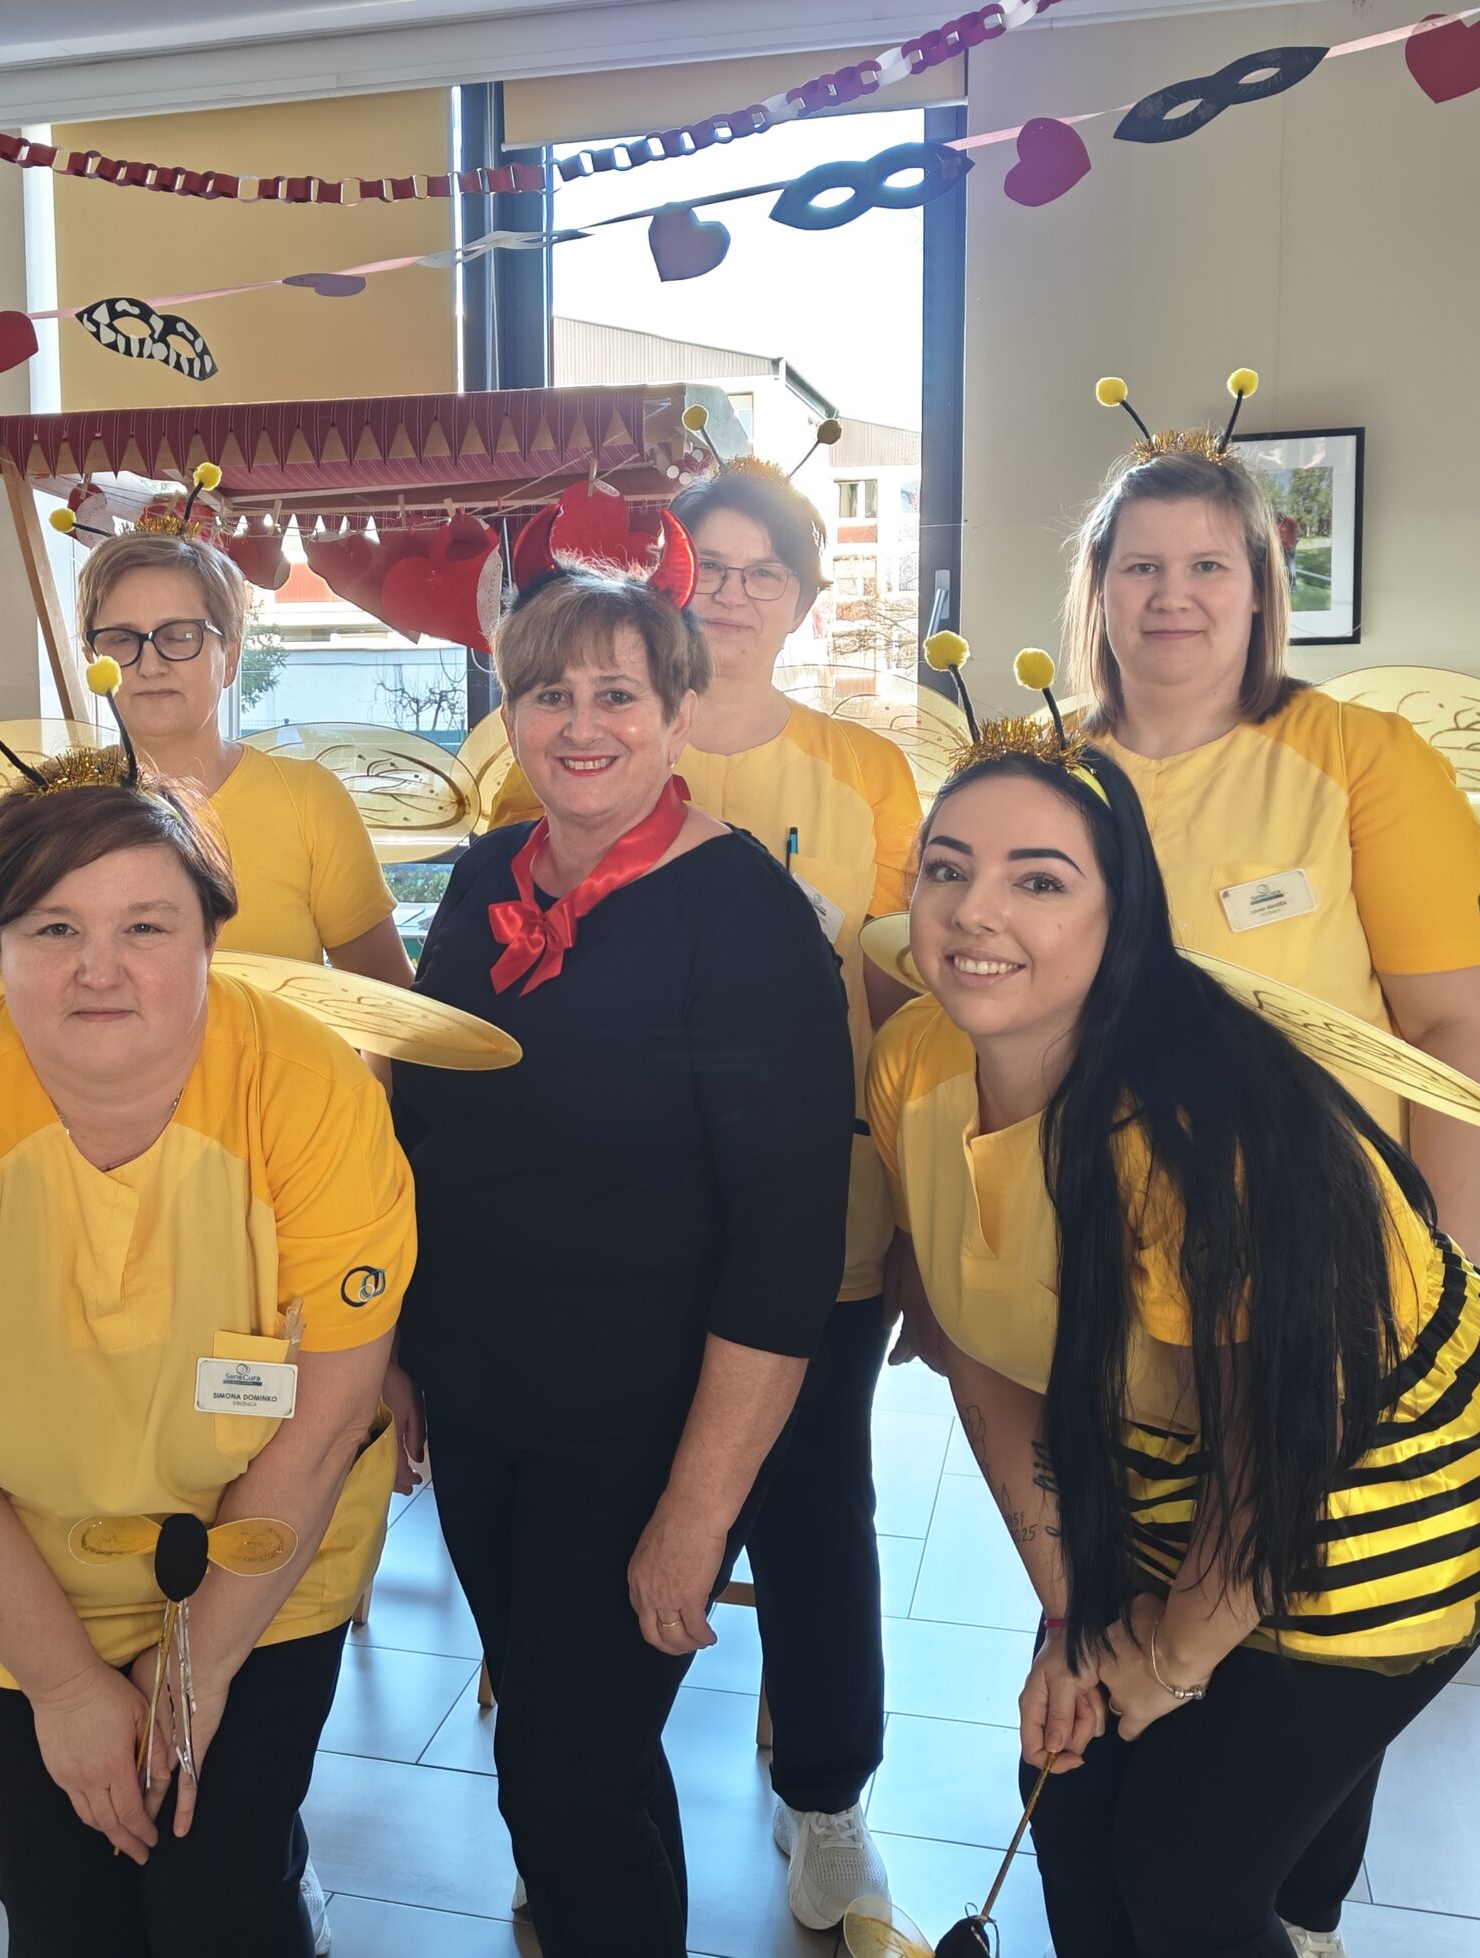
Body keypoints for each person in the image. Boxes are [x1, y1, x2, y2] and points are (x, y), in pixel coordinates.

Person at [869, 729, 1480, 1958]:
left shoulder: (1202, 1134)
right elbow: (979, 1352)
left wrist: (1173, 1655)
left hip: (1384, 1472)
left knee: (1182, 1868)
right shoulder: (913, 1060)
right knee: (1069, 1800)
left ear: (1125, 915)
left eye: (1039, 878)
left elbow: (1279, 1444)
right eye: (945, 867)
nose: (974, 910)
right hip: (1165, 1446)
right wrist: (1077, 1616)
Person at [0, 772, 412, 1958]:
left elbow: (327, 1415)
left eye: (145, 925)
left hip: (265, 1560)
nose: (99, 969)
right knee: (62, 1908)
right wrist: (62, 1686)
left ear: (210, 937)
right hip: (20, 1570)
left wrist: (191, 1670)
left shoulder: (310, 1092)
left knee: (222, 1898)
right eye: (54, 927)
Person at [385, 568, 854, 1957]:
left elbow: (785, 1243)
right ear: (511, 713)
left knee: (559, 1773)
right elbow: (426, 1126)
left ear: (678, 712)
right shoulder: (489, 873)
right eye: (549, 694)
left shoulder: (746, 913)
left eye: (616, 695)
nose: (581, 725)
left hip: (646, 1425)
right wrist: (398, 1347)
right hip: (484, 1399)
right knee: (568, 1740)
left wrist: (699, 1513)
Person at [1063, 394, 1480, 1254]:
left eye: (1207, 566)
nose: (1171, 596)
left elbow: (1458, 1032)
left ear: (1258, 589)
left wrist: (1451, 1280)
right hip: (1076, 1242)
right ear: (1101, 586)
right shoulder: (1041, 771)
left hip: (1314, 1251)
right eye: (1141, 567)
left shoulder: (1363, 756)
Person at [667, 464, 921, 1930]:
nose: (732, 590)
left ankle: (825, 1797)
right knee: (630, 1487)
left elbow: (897, 1004)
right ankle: (589, 1781)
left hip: (821, 1191)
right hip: (637, 1205)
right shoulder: (599, 735)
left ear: (805, 599)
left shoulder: (863, 772)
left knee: (817, 1498)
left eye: (764, 568)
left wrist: (919, 1219)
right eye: (707, 562)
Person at [75, 527, 413, 985]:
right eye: (120, 639)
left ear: (230, 655)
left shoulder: (308, 802)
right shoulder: (49, 803)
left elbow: (387, 1002)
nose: (150, 665)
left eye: (180, 635)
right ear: (91, 656)